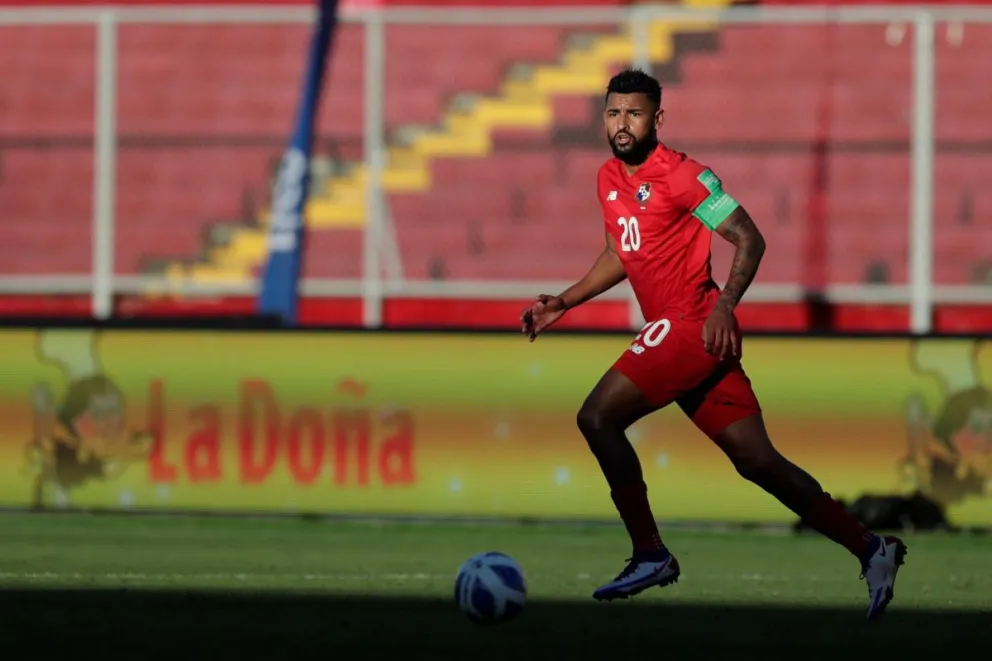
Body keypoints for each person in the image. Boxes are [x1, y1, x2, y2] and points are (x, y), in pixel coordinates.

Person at [519, 69, 906, 620]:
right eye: (613, 113)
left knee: (597, 418)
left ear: (657, 117)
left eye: (633, 113)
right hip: (689, 335)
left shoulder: (684, 177)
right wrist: (565, 300)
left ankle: (650, 552)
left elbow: (750, 237)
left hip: (693, 322)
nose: (622, 123)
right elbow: (619, 254)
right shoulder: (608, 177)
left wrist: (725, 304)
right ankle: (873, 549)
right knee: (758, 461)